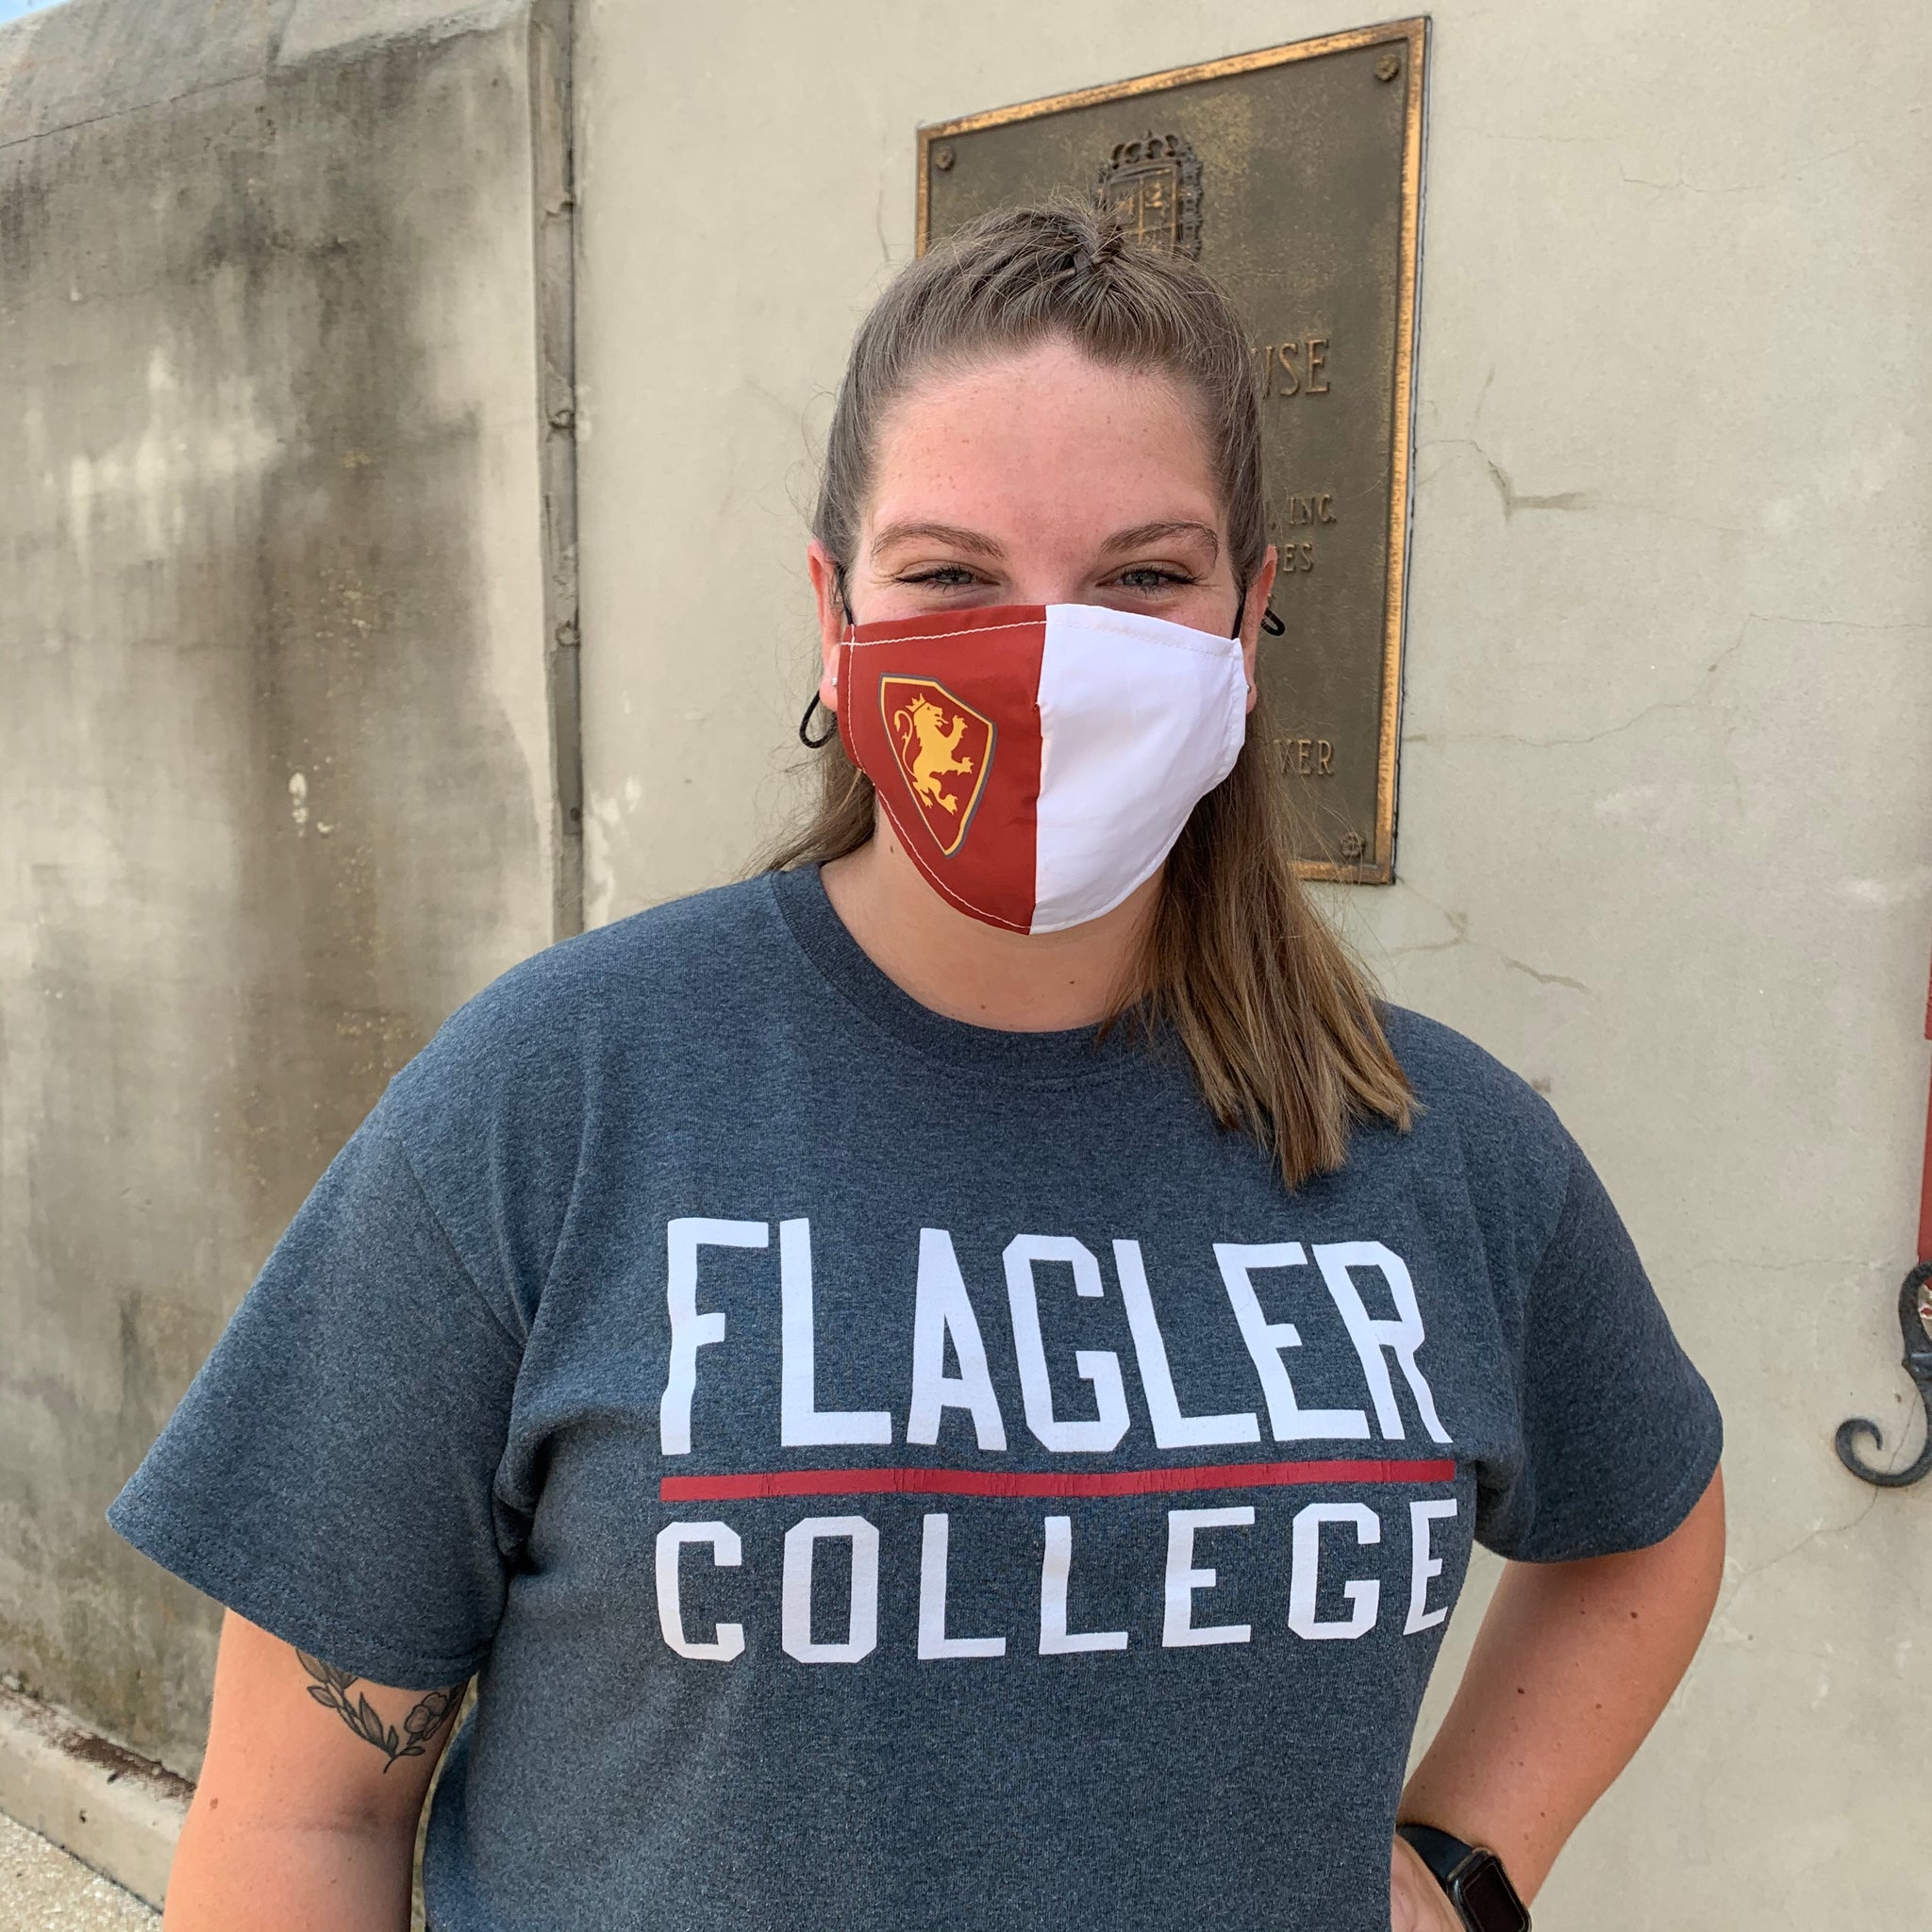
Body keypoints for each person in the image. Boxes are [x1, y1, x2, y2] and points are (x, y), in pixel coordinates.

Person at [110, 203, 1724, 1932]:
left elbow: (1650, 1522)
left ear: (1251, 618)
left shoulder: (1434, 1138)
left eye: (1146, 576)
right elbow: (303, 1816)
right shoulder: (558, 1101)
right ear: (834, 610)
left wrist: (1460, 1870)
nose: (1050, 654)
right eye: (952, 575)